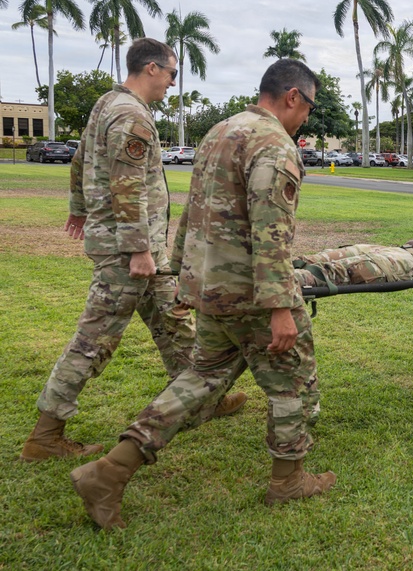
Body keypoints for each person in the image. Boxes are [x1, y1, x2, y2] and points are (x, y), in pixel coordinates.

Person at [70, 60, 333, 530]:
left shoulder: (219, 132)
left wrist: (184, 280)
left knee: (200, 379)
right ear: (293, 96)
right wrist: (280, 309)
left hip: (211, 289)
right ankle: (288, 480)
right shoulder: (274, 144)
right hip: (252, 296)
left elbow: (191, 212)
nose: (307, 118)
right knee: (293, 382)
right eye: (309, 107)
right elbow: (271, 233)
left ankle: (110, 470)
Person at [20, 39, 244, 463]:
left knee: (175, 320)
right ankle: (46, 434)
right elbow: (128, 187)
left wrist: (78, 209)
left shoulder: (107, 104)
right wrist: (139, 249)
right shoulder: (130, 115)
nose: (172, 84)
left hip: (145, 250)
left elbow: (79, 160)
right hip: (131, 253)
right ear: (152, 68)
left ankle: (200, 401)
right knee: (95, 338)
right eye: (172, 74)